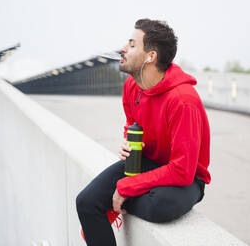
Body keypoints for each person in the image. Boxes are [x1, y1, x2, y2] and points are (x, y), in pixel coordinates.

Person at [76, 18, 211, 246]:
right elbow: (132, 125)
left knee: (158, 206)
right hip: (147, 162)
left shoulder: (182, 100)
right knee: (86, 201)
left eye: (131, 44)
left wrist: (126, 187)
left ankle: (117, 201)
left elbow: (182, 171)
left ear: (151, 57)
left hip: (186, 177)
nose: (123, 49)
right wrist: (128, 142)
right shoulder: (131, 86)